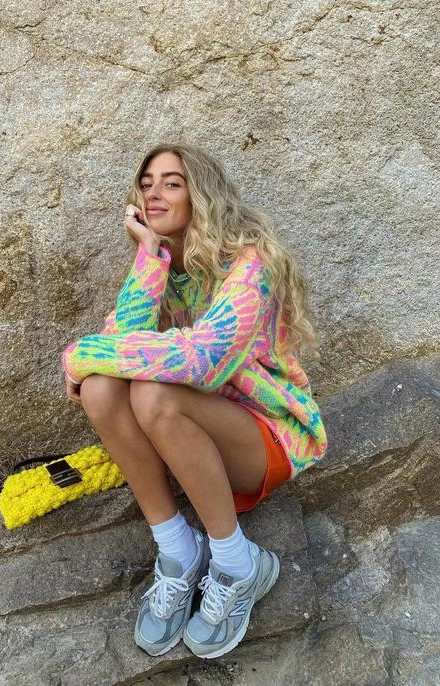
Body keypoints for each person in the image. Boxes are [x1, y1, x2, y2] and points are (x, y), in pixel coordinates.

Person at [61, 143, 327, 660]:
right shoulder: (164, 264)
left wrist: (83, 353)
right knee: (99, 388)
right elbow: (117, 347)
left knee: (153, 392)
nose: (154, 193)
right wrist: (149, 256)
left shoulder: (250, 264)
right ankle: (179, 551)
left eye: (172, 183)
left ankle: (238, 564)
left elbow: (203, 361)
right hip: (192, 433)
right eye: (146, 183)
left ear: (201, 194)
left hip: (264, 438)